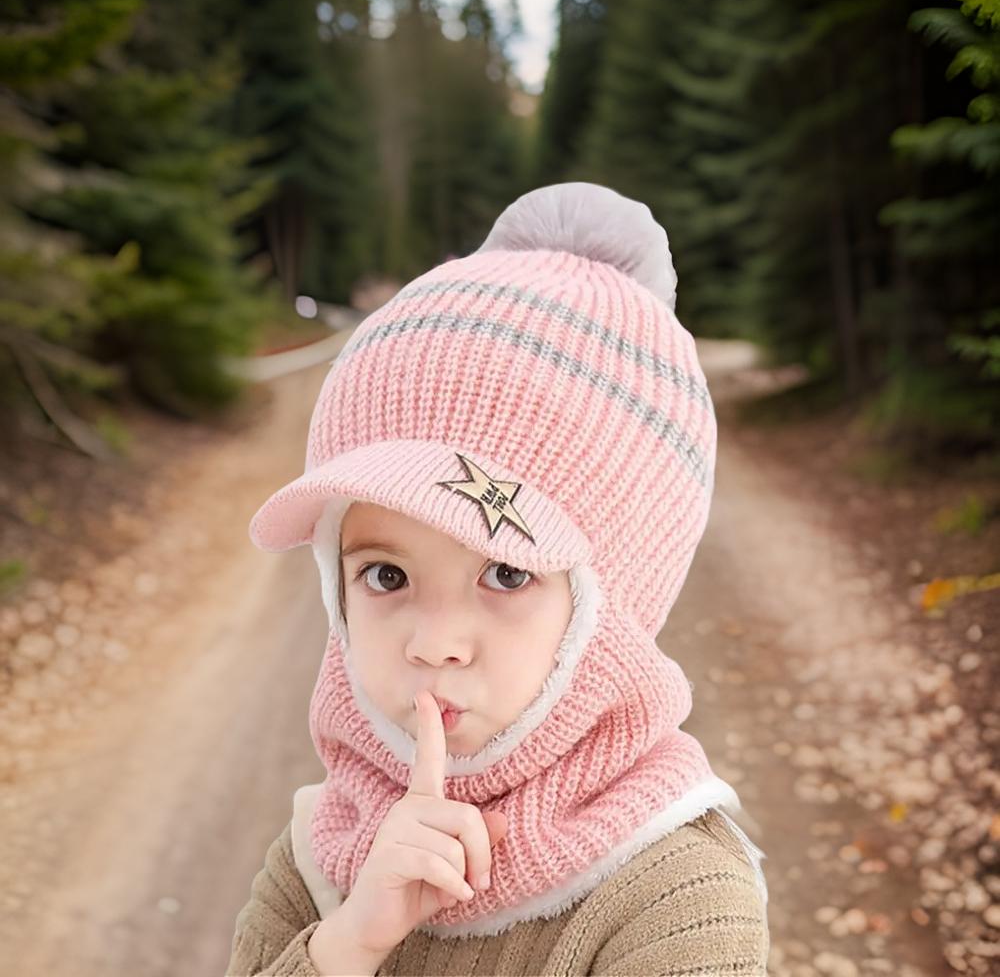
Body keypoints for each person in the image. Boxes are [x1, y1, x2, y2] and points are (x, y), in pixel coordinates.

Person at [226, 181, 770, 976]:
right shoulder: (320, 860)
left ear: (609, 613)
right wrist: (347, 949)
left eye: (507, 572)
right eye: (385, 574)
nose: (435, 643)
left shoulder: (676, 898)